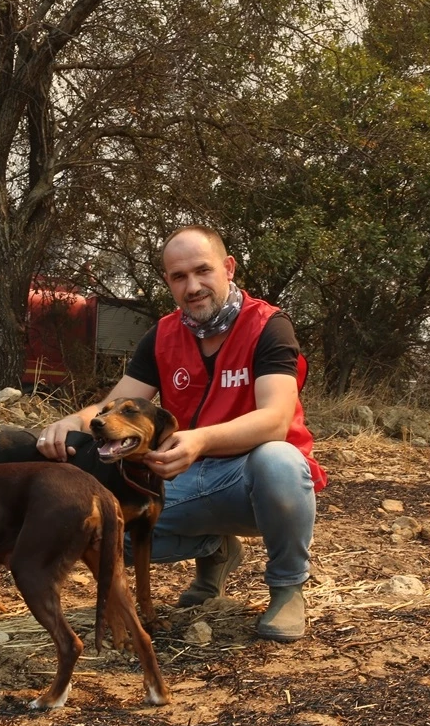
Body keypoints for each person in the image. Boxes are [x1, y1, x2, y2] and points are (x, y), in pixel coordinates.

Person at [36, 225, 327, 641]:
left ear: (228, 268)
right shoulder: (163, 335)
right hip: (185, 478)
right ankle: (216, 550)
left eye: (202, 271)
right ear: (168, 282)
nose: (193, 286)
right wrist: (71, 422)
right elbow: (114, 407)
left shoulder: (268, 326)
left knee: (278, 459)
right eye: (178, 277)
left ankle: (287, 588)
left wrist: (201, 439)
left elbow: (275, 420)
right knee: (105, 534)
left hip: (251, 481)